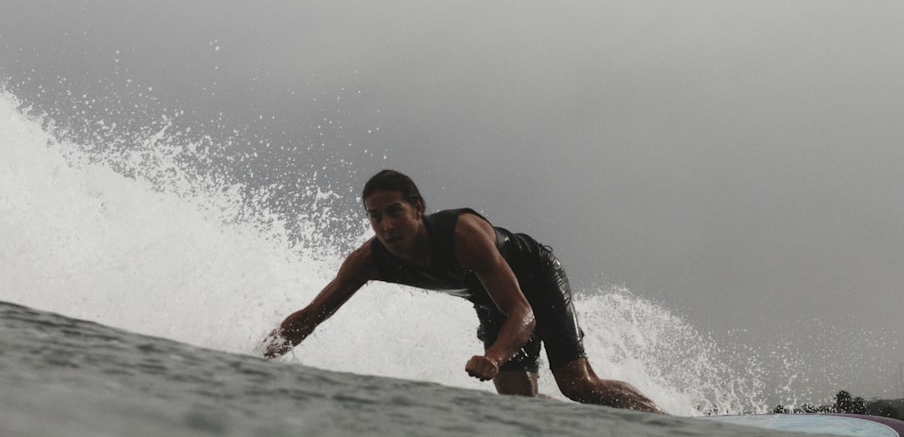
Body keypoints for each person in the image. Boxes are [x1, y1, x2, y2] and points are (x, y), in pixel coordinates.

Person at [264, 169, 665, 414]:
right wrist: (258, 359)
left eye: (394, 212)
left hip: (535, 277)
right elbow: (308, 316)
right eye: (375, 216)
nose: (385, 226)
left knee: (578, 385)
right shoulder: (369, 260)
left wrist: (493, 356)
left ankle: (670, 425)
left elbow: (523, 312)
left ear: (418, 208)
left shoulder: (463, 234)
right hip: (490, 299)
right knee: (518, 404)